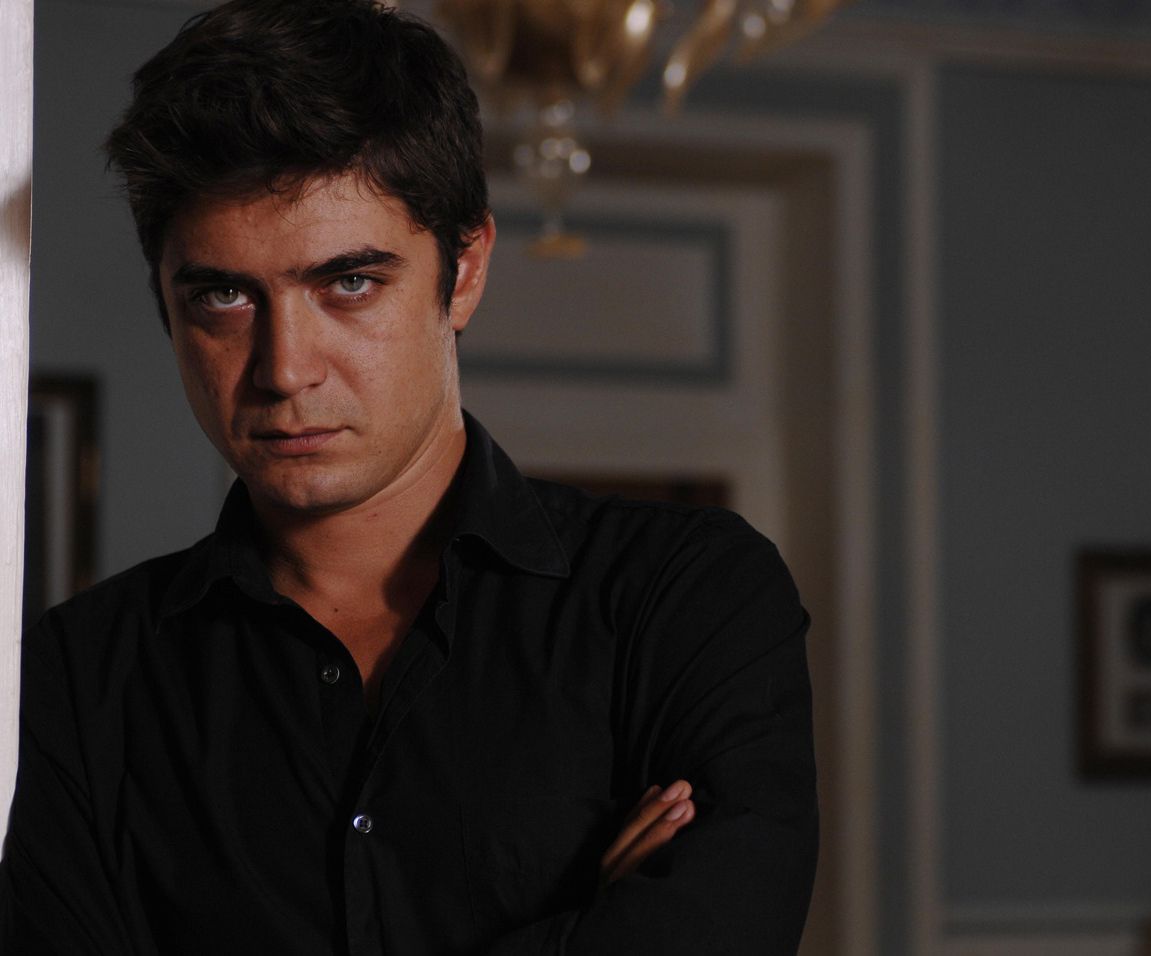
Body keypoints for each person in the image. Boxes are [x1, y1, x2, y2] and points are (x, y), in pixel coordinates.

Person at [0, 1, 818, 952]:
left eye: (348, 282)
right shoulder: (80, 678)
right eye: (224, 295)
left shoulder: (686, 596)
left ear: (463, 272)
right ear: (166, 305)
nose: (284, 370)